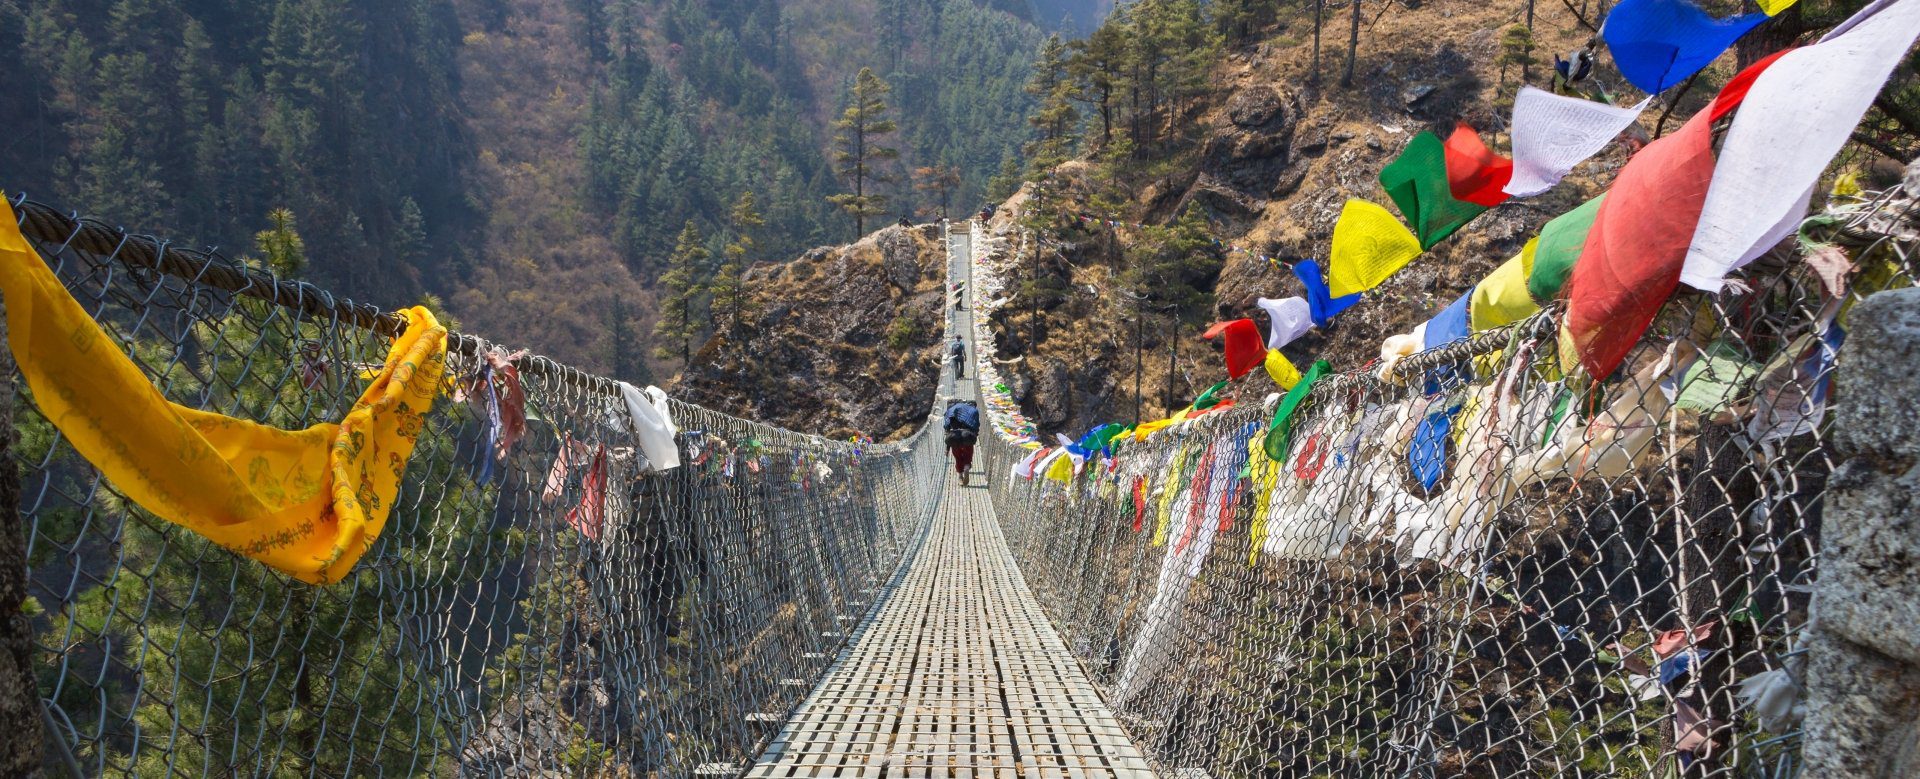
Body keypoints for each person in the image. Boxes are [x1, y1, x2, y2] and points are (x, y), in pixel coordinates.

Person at [944, 400, 980, 486]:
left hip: (955, 437)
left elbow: (947, 430)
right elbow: (976, 426)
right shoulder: (970, 412)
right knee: (968, 455)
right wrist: (974, 436)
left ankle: (960, 476)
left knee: (958, 457)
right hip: (967, 437)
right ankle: (966, 468)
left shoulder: (951, 411)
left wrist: (947, 449)